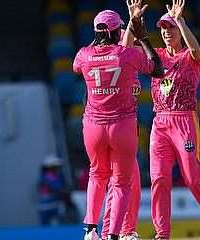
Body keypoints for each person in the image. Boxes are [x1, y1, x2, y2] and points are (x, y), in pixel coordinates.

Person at [123, 0, 200, 239]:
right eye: (163, 28)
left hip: (184, 121)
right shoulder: (156, 56)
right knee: (159, 179)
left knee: (193, 179)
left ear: (180, 31)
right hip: (160, 123)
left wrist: (180, 20)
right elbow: (125, 52)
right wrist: (133, 22)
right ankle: (162, 234)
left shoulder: (189, 58)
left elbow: (196, 50)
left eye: (170, 27)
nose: (166, 32)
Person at [72, 8, 163, 240]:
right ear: (116, 31)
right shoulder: (127, 55)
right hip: (123, 126)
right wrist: (142, 37)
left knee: (97, 175)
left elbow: (77, 68)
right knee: (122, 183)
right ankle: (114, 235)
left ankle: (91, 230)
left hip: (93, 126)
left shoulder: (83, 54)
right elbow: (157, 69)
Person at [101, 29, 144, 240]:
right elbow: (123, 49)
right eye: (134, 43)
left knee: (130, 182)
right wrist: (130, 21)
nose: (138, 46)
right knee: (120, 183)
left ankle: (120, 231)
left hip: (126, 132)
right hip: (112, 130)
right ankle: (117, 231)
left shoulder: (132, 68)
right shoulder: (118, 64)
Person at [37, 154, 65, 225]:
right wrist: (60, 193)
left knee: (61, 224)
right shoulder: (43, 178)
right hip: (44, 207)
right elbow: (50, 190)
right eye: (55, 166)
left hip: (57, 205)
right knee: (45, 227)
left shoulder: (59, 176)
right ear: (49, 167)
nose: (57, 168)